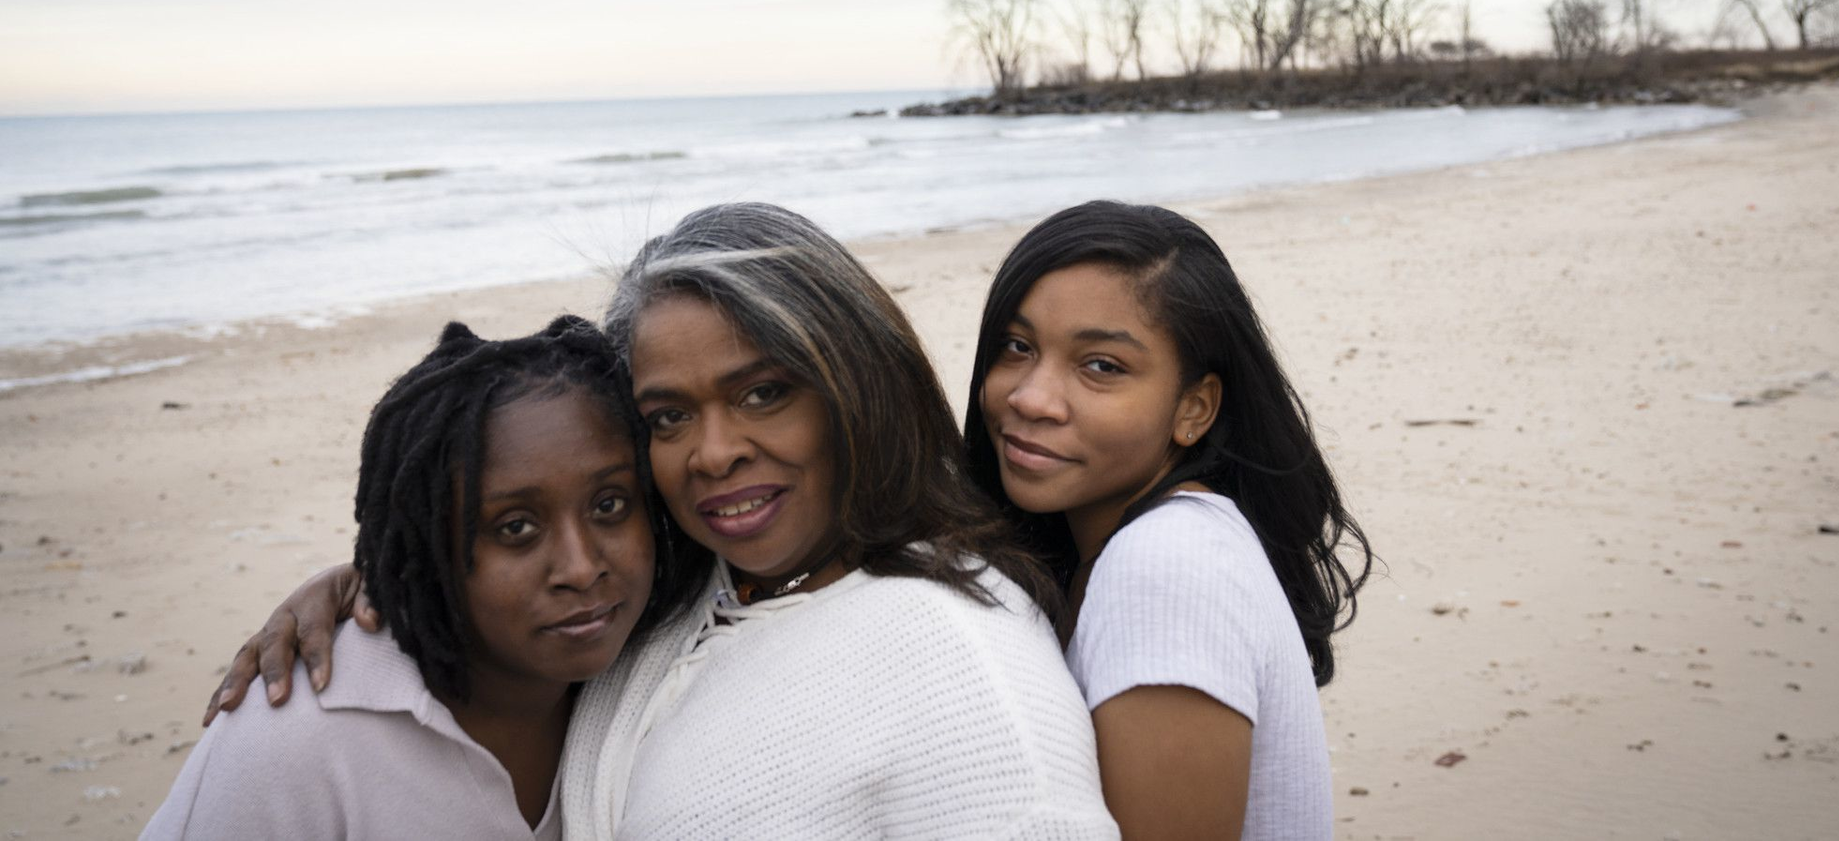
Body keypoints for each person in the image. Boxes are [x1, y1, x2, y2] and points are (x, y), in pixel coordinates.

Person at [204, 203, 1118, 840]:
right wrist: (375, 573)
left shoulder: (970, 673)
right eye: (668, 416)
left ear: (857, 387)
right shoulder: (680, 591)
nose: (712, 453)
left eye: (762, 393)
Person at [145, 316, 665, 839]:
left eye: (610, 504)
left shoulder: (657, 667)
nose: (581, 568)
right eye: (516, 527)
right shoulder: (291, 741)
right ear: (429, 542)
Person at [961, 200, 1372, 841]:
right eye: (1018, 347)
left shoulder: (1165, 568)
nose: (1030, 397)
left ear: (1194, 408)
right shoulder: (1152, 542)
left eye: (1101, 366)